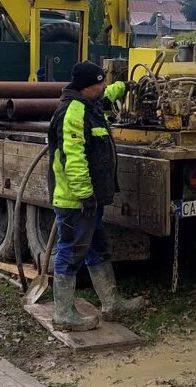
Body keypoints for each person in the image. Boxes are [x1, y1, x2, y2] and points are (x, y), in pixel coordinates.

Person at [48, 60, 145, 331]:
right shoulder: (73, 112)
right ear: (87, 87)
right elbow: (73, 157)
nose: (104, 86)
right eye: (100, 83)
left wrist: (123, 87)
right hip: (76, 201)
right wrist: (85, 195)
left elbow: (108, 94)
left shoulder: (90, 104)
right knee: (70, 252)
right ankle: (63, 315)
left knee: (96, 247)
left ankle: (112, 303)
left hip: (91, 199)